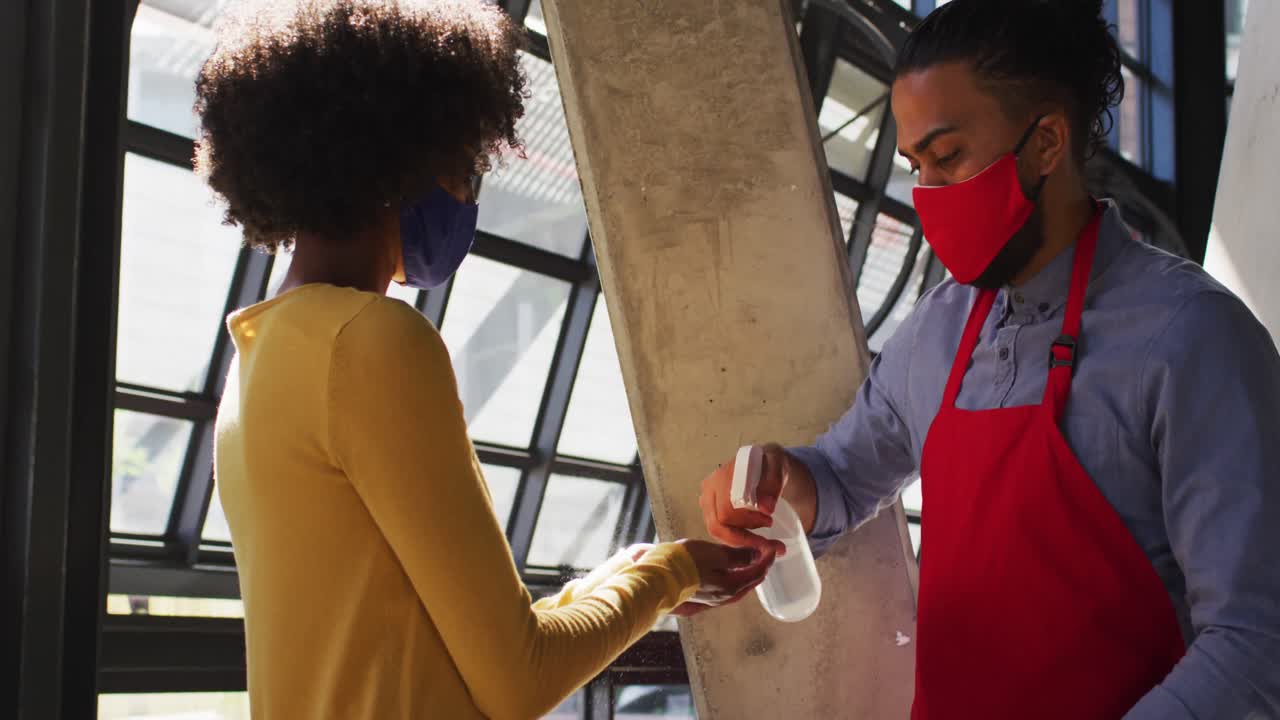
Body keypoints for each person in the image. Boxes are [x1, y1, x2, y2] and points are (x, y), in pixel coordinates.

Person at [700, 1, 1280, 718]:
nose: (927, 197)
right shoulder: (938, 331)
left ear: (1046, 143)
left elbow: (1255, 643)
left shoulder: (1193, 338)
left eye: (948, 159)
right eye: (916, 165)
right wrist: (780, 484)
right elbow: (845, 475)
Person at [203, 2, 773, 718]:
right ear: (399, 158)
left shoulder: (260, 357)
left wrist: (636, 571)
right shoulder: (371, 341)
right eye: (462, 161)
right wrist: (674, 571)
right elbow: (519, 680)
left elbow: (439, 643)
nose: (466, 189)